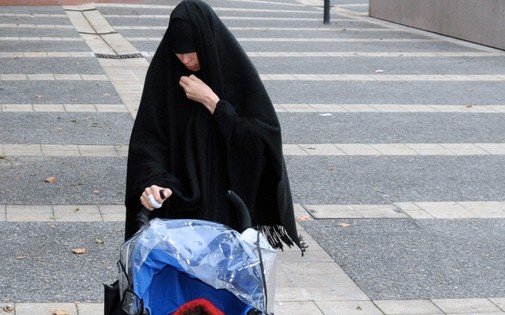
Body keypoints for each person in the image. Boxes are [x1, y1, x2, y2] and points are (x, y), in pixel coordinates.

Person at [124, 0, 305, 253]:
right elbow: (148, 144)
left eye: (192, 50)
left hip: (227, 211)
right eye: (179, 51)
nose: (185, 59)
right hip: (174, 211)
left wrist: (213, 103)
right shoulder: (164, 77)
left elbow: (263, 140)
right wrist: (153, 183)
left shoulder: (234, 75)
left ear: (206, 42)